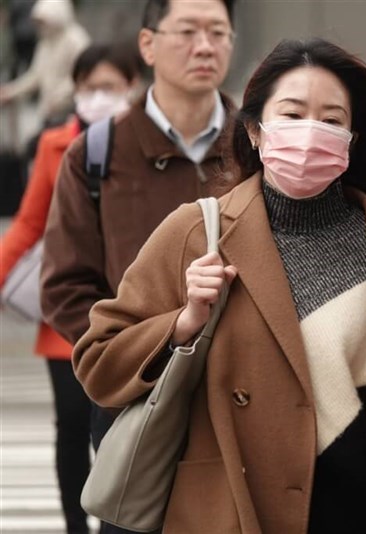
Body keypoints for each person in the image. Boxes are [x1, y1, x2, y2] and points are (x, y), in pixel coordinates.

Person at [72, 38, 366, 533]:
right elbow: (98, 362)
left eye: (331, 120)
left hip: (354, 507)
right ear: (256, 131)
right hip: (229, 507)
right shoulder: (195, 233)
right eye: (293, 113)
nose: (311, 133)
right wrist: (181, 323)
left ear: (352, 138)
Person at [41, 0, 238, 531]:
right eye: (189, 31)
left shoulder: (259, 148)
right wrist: (136, 352)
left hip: (243, 399)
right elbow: (65, 287)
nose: (205, 46)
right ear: (148, 44)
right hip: (136, 400)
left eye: (218, 32)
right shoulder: (97, 152)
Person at [0, 42, 141, 534]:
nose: (99, 97)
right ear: (75, 90)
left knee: (119, 433)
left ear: (133, 87)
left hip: (130, 316)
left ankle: (112, 524)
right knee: (72, 427)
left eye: (110, 86)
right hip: (67, 317)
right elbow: (28, 224)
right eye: (89, 87)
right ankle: (76, 526)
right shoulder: (54, 144)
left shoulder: (144, 144)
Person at [0, 0, 90, 125]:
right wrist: (10, 92)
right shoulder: (45, 43)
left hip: (71, 111)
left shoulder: (76, 40)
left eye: (43, 21)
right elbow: (36, 75)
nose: (40, 26)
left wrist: (61, 97)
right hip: (49, 111)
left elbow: (84, 74)